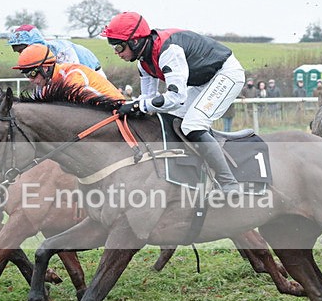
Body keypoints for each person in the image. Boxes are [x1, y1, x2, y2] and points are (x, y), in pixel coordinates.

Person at [102, 11, 245, 192]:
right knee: (170, 119)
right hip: (203, 80)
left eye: (119, 46)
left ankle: (228, 182)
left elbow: (176, 97)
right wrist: (129, 106)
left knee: (193, 125)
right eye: (113, 47)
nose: (116, 52)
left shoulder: (168, 51)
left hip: (226, 74)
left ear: (135, 41)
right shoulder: (143, 63)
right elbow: (148, 99)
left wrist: (139, 105)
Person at [11, 44, 124, 103]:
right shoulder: (47, 87)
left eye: (32, 74)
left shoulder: (73, 76)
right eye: (26, 75)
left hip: (116, 111)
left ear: (45, 68)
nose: (30, 79)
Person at [8, 25, 106, 77]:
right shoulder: (41, 56)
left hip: (92, 74)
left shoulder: (62, 52)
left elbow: (74, 78)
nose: (22, 54)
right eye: (17, 50)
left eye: (22, 49)